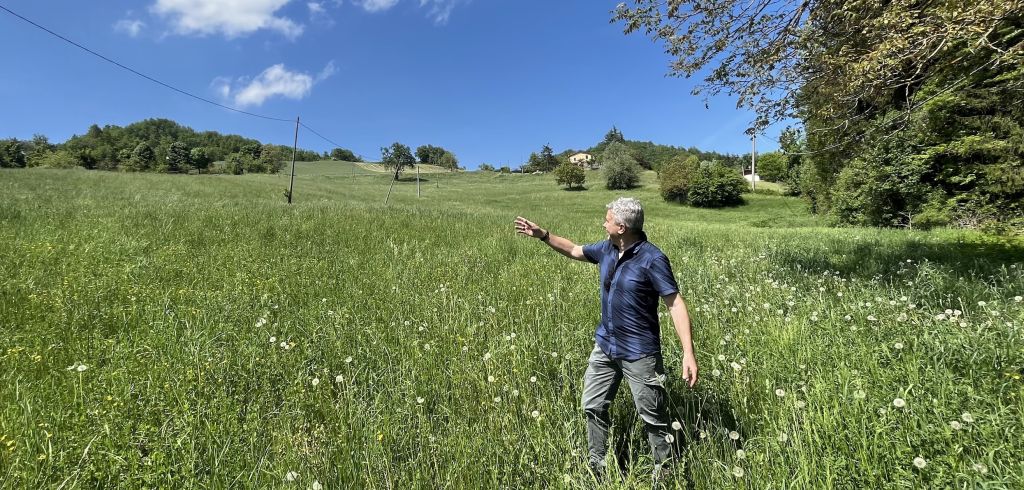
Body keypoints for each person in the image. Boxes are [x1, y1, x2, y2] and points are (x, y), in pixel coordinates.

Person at [514, 197, 698, 481]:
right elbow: (575, 250)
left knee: (652, 419)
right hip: (606, 346)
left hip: (640, 353)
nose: (603, 223)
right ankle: (597, 468)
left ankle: (665, 476)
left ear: (622, 227)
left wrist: (688, 352)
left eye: (608, 219)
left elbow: (674, 303)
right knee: (593, 405)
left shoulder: (653, 259)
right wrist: (544, 236)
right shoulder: (608, 249)